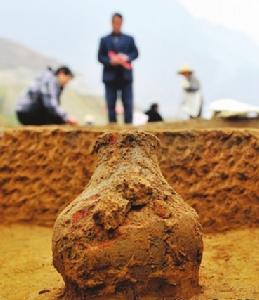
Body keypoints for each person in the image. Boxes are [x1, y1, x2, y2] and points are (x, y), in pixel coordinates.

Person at [98, 13, 139, 124]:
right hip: (110, 77)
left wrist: (126, 58)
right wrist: (111, 61)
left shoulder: (129, 39)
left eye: (119, 23)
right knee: (110, 103)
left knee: (128, 103)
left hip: (125, 77)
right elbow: (100, 57)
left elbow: (135, 53)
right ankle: (112, 128)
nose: (117, 25)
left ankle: (129, 129)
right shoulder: (104, 40)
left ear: (122, 23)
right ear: (112, 23)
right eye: (115, 22)